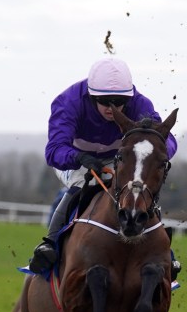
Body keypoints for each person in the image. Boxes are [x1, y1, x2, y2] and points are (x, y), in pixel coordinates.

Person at [28, 57, 178, 274]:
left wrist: (157, 154)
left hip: (119, 158)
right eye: (105, 101)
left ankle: (166, 255)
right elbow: (54, 152)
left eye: (119, 102)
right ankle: (49, 244)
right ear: (91, 97)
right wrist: (80, 158)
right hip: (74, 158)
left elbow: (167, 140)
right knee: (82, 183)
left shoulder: (139, 104)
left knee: (140, 191)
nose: (113, 108)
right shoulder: (68, 102)